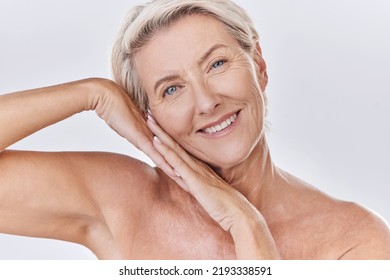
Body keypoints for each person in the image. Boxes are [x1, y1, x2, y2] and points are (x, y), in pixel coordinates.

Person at [0, 0, 389, 260]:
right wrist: (93, 93)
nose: (205, 102)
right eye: (171, 89)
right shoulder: (121, 200)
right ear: (147, 112)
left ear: (260, 65)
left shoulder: (355, 241)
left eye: (216, 64)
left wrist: (247, 225)